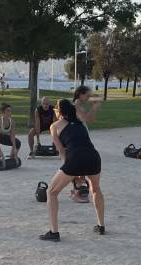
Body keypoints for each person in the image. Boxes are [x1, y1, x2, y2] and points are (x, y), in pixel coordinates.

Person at [39, 99, 104, 241]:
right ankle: (101, 226)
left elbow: (62, 152)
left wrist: (73, 174)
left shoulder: (55, 126)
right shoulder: (81, 123)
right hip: (94, 156)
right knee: (95, 189)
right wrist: (76, 174)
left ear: (59, 112)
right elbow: (83, 144)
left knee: (51, 192)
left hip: (75, 158)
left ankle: (54, 232)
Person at [71, 86, 102, 202]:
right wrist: (94, 107)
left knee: (80, 165)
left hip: (82, 136)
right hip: (77, 138)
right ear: (80, 94)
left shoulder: (80, 105)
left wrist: (95, 108)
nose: (89, 97)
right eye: (87, 95)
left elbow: (91, 119)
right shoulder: (76, 105)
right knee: (77, 165)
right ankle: (77, 190)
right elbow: (85, 118)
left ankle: (78, 189)